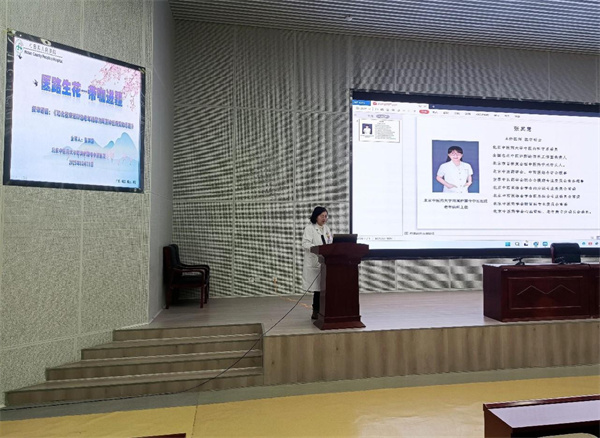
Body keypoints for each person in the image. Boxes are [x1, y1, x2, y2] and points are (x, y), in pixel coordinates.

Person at [302, 206, 332, 320]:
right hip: (315, 261)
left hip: (326, 262)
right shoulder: (309, 228)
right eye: (322, 216)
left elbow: (330, 243)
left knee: (325, 287)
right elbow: (305, 243)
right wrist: (318, 249)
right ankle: (316, 311)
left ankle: (325, 310)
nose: (324, 218)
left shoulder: (326, 228)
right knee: (318, 289)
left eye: (326, 216)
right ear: (316, 216)